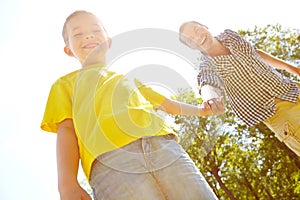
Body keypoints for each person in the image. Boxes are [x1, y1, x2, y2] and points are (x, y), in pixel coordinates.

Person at [41, 11, 219, 200]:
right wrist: (67, 184)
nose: (89, 35)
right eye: (78, 34)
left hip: (163, 147)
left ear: (108, 42)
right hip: (110, 160)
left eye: (95, 30)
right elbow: (66, 130)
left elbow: (164, 103)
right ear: (68, 49)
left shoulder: (128, 78)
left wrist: (201, 111)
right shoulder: (64, 85)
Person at [179, 21, 300, 156]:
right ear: (192, 47)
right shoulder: (207, 65)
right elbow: (207, 83)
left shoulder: (230, 36)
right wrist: (210, 98)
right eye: (191, 40)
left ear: (204, 26)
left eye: (196, 30)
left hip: (292, 88)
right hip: (276, 110)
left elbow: (255, 53)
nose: (197, 37)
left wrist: (293, 69)